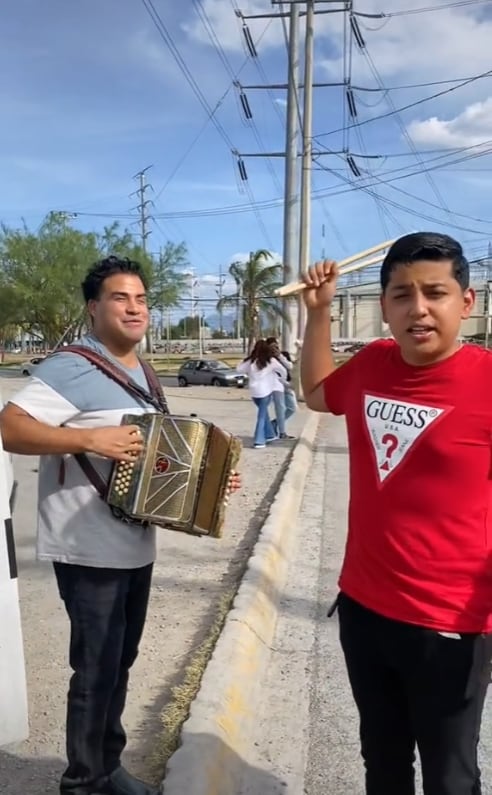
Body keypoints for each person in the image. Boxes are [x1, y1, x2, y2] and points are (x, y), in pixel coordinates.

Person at [0, 256, 240, 795]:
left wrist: (208, 483)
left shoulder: (143, 371)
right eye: (119, 298)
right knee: (95, 671)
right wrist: (88, 439)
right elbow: (11, 428)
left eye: (141, 299)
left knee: (119, 664)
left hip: (134, 546)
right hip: (87, 549)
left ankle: (108, 769)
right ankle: (83, 781)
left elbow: (160, 457)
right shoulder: (73, 366)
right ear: (93, 308)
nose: (134, 308)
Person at [300, 232, 492, 795]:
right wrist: (319, 313)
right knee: (382, 763)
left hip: (451, 623)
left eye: (435, 292)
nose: (419, 308)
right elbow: (314, 392)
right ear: (384, 307)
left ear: (466, 301)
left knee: (450, 776)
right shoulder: (373, 363)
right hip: (364, 608)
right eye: (402, 295)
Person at [237, 339, 287, 449]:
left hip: (254, 393)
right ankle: (259, 441)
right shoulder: (271, 361)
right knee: (262, 416)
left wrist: (246, 360)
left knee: (263, 413)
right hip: (265, 392)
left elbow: (238, 369)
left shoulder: (251, 361)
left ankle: (270, 435)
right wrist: (281, 379)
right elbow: (283, 371)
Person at [265, 337, 295, 440]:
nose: (274, 349)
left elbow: (290, 366)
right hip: (275, 386)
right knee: (280, 409)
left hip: (286, 385)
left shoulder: (284, 354)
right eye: (271, 347)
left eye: (276, 346)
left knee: (292, 408)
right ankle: (282, 433)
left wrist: (279, 355)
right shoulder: (266, 358)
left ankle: (274, 423)